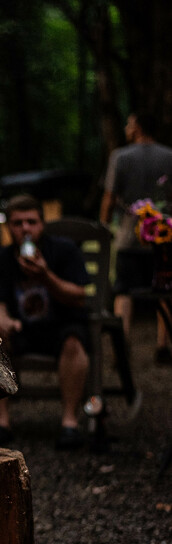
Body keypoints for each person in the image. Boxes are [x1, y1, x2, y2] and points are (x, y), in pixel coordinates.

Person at [0, 194, 90, 450]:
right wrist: (3, 322)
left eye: (31, 222)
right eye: (18, 223)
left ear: (42, 223)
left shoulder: (63, 250)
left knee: (74, 339)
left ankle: (69, 423)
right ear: (8, 227)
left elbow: (80, 297)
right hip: (21, 331)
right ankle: (2, 422)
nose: (25, 228)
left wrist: (46, 276)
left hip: (60, 328)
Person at [100, 111, 172, 363]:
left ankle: (123, 346)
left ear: (138, 127)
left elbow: (109, 198)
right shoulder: (169, 157)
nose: (126, 128)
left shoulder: (120, 157)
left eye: (129, 123)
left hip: (129, 236)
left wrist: (103, 228)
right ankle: (163, 346)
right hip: (163, 237)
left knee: (124, 292)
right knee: (164, 290)